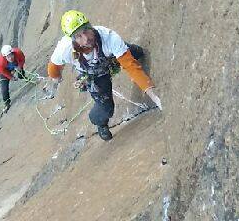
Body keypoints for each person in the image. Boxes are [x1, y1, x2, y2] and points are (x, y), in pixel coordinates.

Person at [42, 10, 162, 141]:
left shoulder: (108, 37)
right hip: (95, 74)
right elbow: (53, 67)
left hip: (109, 57)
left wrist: (154, 96)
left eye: (86, 30)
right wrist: (56, 77)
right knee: (106, 109)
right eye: (79, 36)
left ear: (90, 26)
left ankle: (132, 50)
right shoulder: (65, 49)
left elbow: (131, 67)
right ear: (72, 39)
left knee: (131, 52)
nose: (86, 38)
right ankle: (100, 123)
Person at [0, 44, 27, 112]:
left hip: (15, 65)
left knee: (21, 73)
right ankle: (7, 103)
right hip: (5, 71)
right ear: (5, 57)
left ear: (13, 53)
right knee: (4, 89)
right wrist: (11, 77)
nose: (10, 57)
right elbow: (2, 71)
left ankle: (23, 78)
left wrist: (20, 66)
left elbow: (22, 59)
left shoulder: (18, 52)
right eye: (8, 56)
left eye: (11, 55)